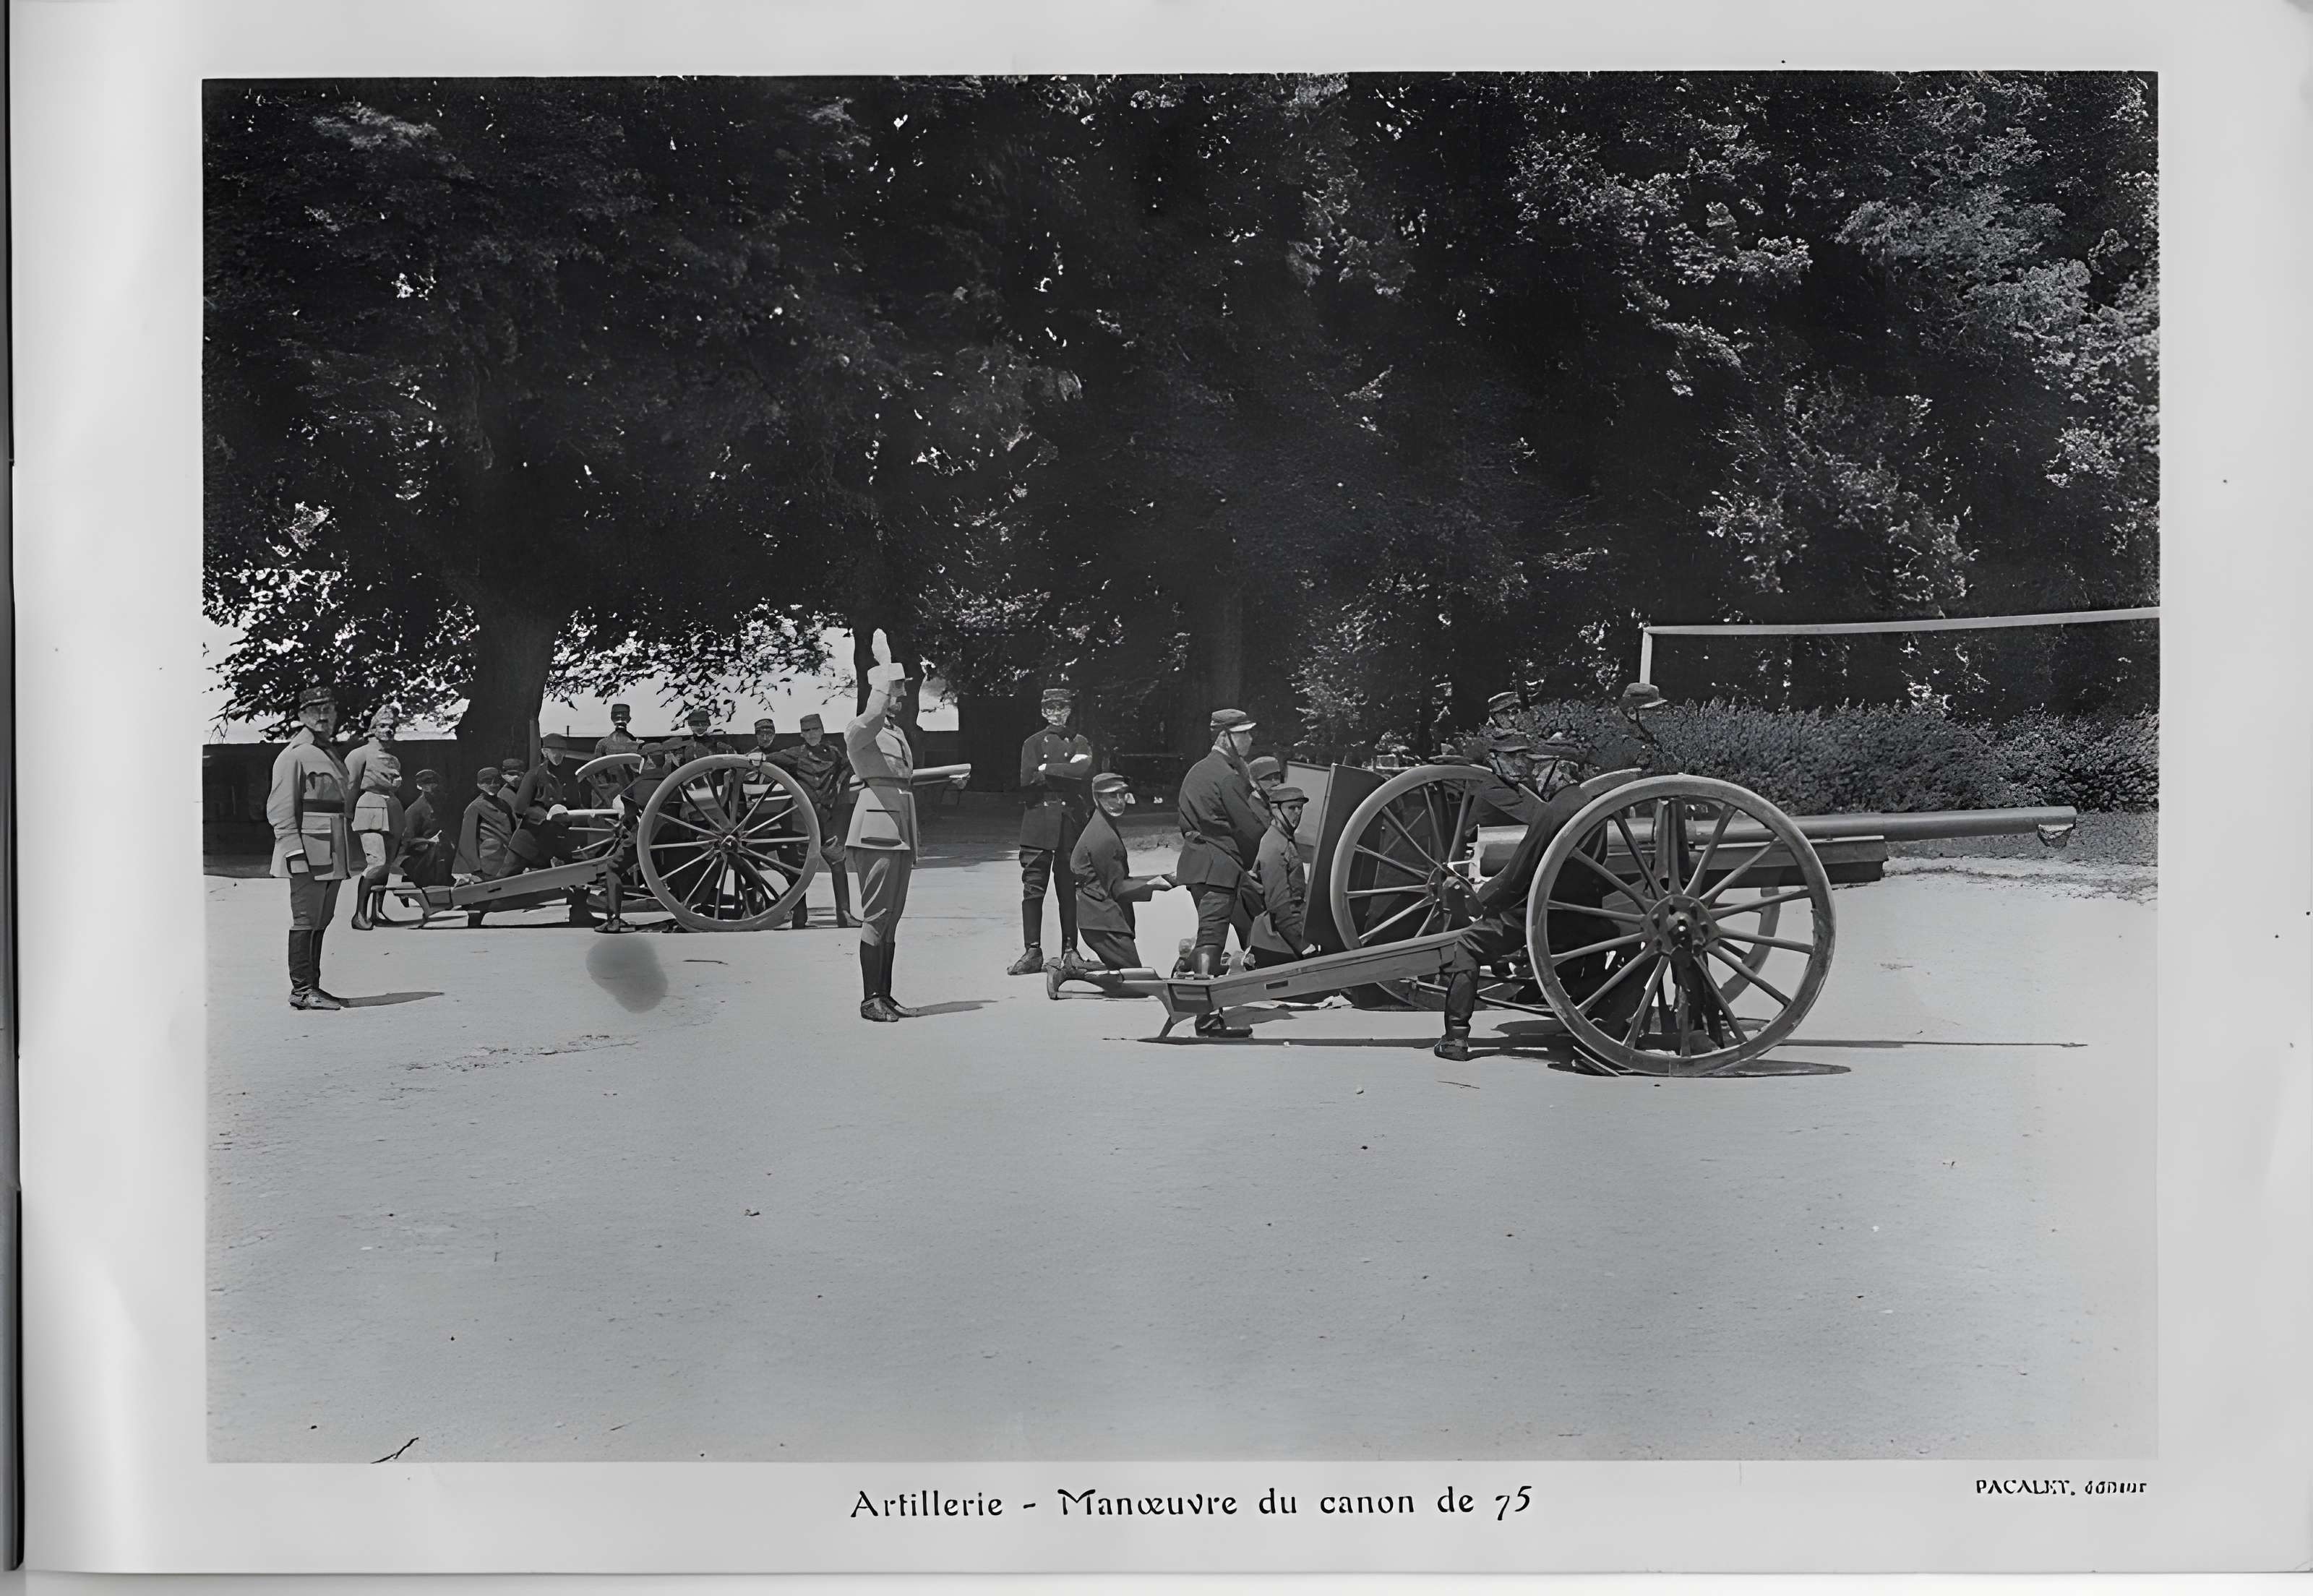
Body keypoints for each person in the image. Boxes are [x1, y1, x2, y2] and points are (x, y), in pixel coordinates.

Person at [1430, 727, 1624, 1063]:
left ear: (1560, 768)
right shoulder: (1592, 807)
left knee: (1466, 947)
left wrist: (1482, 898)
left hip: (1536, 916)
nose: (1534, 773)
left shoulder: (1553, 811)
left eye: (1540, 766)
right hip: (1578, 913)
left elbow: (1518, 875)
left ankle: (1456, 1039)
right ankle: (1588, 1018)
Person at [1172, 708, 1269, 1037]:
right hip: (1219, 867)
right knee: (1212, 939)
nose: (1250, 740)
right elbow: (1251, 828)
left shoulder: (1198, 771)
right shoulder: (1227, 776)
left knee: (1208, 935)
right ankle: (1207, 1019)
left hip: (1196, 864)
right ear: (1226, 736)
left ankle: (1191, 979)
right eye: (1243, 734)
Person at [846, 631, 920, 1021]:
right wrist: (884, 668)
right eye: (897, 691)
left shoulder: (896, 732)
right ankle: (869, 999)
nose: (903, 697)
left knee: (892, 916)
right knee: (875, 915)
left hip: (900, 827)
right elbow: (873, 715)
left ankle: (885, 995)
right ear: (880, 691)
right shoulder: (861, 728)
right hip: (876, 827)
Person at [267, 685, 355, 1009]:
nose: (322, 715)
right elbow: (280, 809)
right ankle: (301, 990)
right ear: (301, 715)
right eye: (314, 709)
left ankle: (313, 987)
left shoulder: (329, 753)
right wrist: (294, 852)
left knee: (322, 918)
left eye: (328, 708)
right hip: (307, 848)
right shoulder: (293, 755)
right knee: (305, 918)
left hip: (333, 847)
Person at [1048, 772, 1175, 998]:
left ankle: (1078, 968)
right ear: (1097, 799)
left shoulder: (1103, 823)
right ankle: (1072, 971)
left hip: (1101, 916)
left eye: (1122, 795)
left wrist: (1159, 878)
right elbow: (1117, 889)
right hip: (1102, 920)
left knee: (1134, 977)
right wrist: (1157, 883)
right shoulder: (1103, 836)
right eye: (1111, 796)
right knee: (1138, 985)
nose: (1118, 801)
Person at [1010, 686, 1095, 977]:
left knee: (1069, 890)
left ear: (1070, 710)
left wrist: (1046, 769)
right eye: (1051, 708)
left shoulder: (1080, 741)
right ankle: (1032, 950)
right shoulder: (1032, 743)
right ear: (1043, 711)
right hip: (1037, 824)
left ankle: (1071, 950)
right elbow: (1026, 779)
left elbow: (1082, 772)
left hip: (1070, 824)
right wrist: (1060, 769)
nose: (1057, 713)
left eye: (1062, 707)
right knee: (1033, 889)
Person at [768, 711, 857, 930]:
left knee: (838, 864)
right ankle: (800, 916)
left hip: (826, 821)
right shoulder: (794, 755)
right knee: (799, 870)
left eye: (815, 730)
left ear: (822, 731)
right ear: (802, 734)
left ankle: (844, 915)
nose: (811, 735)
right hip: (802, 823)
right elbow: (768, 759)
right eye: (807, 731)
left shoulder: (834, 754)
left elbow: (851, 767)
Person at [512, 733, 595, 926]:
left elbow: (574, 803)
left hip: (558, 836)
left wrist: (583, 816)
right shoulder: (534, 775)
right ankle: (477, 910)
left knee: (576, 873)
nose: (558, 756)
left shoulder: (569, 776)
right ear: (544, 752)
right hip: (531, 837)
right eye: (554, 751)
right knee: (505, 876)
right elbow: (520, 808)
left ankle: (580, 912)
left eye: (562, 751)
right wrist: (545, 815)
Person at [343, 704, 406, 931]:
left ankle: (376, 912)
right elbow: (351, 785)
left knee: (386, 866)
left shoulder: (393, 759)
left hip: (392, 809)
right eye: (383, 725)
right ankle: (359, 914)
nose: (388, 730)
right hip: (369, 807)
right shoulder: (360, 754)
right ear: (373, 728)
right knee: (376, 862)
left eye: (392, 727)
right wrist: (348, 812)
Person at [1247, 784, 1316, 970]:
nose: (1297, 813)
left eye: (1300, 808)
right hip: (1285, 934)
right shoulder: (1273, 844)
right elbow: (1280, 906)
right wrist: (1304, 945)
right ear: (1276, 810)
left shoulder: (1285, 839)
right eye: (1291, 808)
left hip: (1296, 923)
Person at [456, 765, 518, 926]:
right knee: (484, 894)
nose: (492, 785)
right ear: (479, 784)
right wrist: (474, 868)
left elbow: (512, 829)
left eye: (496, 781)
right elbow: (467, 840)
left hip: (505, 857)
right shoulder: (474, 807)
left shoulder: (504, 804)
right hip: (487, 861)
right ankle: (474, 920)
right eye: (486, 782)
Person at [398, 768, 454, 891]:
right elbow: (407, 841)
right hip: (423, 858)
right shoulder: (415, 810)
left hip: (441, 855)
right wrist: (429, 842)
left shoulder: (440, 804)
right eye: (428, 785)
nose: (433, 789)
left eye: (435, 784)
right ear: (421, 787)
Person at [590, 702, 643, 805]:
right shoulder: (603, 744)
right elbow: (596, 772)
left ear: (629, 718)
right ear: (612, 718)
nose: (620, 718)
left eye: (623, 714)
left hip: (635, 797)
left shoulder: (637, 744)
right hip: (611, 798)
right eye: (617, 715)